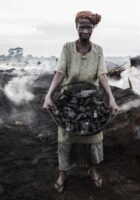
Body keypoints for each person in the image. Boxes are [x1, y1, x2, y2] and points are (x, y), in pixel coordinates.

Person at [43, 11, 118, 193]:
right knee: (66, 137)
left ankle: (92, 170)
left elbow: (102, 75)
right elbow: (60, 73)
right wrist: (48, 95)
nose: (85, 31)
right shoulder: (67, 48)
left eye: (89, 27)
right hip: (68, 99)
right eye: (81, 26)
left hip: (92, 99)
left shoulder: (98, 50)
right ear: (76, 27)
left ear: (93, 28)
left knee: (93, 136)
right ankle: (63, 173)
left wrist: (111, 98)